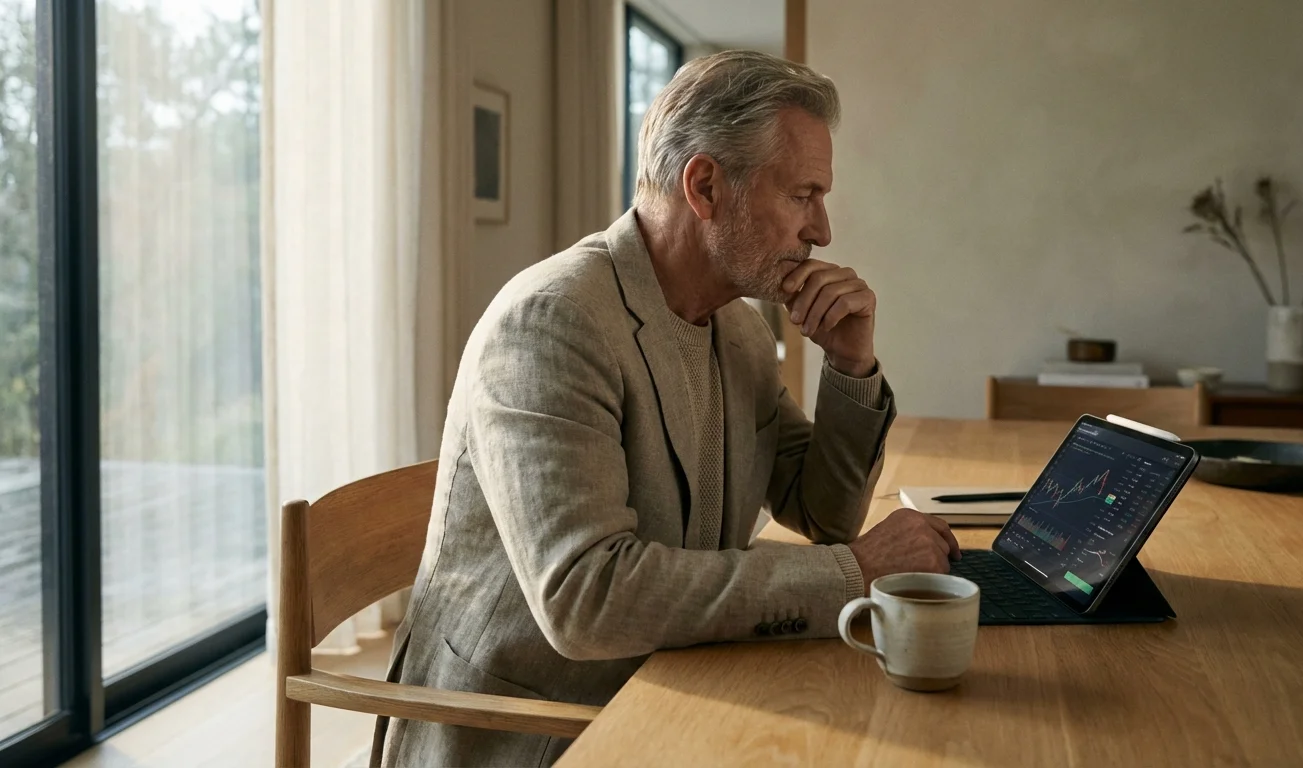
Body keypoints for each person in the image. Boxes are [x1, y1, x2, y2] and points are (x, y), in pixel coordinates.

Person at [373, 50, 961, 767]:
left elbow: (825, 514)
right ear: (706, 186)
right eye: (803, 195)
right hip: (536, 730)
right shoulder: (551, 323)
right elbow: (586, 600)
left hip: (677, 681)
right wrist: (852, 575)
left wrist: (850, 366)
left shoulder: (738, 327)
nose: (823, 231)